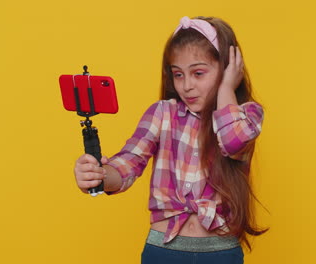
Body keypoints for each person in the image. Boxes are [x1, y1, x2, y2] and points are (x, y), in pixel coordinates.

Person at [74, 16, 267, 264]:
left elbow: (231, 141)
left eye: (198, 73)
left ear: (228, 69)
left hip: (221, 252)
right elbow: (128, 163)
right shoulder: (162, 113)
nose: (187, 86)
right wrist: (99, 176)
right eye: (178, 74)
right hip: (164, 250)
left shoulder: (247, 115)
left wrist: (227, 89)